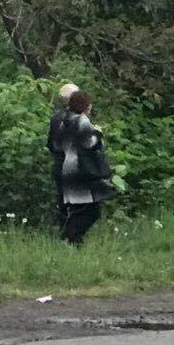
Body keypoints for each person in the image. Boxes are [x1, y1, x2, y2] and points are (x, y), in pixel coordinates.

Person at [57, 90, 116, 245]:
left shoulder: (64, 120)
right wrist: (97, 133)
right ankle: (69, 238)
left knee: (77, 208)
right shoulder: (82, 120)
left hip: (67, 166)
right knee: (91, 211)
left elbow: (58, 144)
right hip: (82, 169)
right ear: (85, 105)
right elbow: (88, 143)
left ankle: (73, 240)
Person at [46, 83, 79, 228]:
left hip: (59, 164)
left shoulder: (55, 118)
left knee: (62, 199)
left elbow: (50, 144)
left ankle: (62, 229)